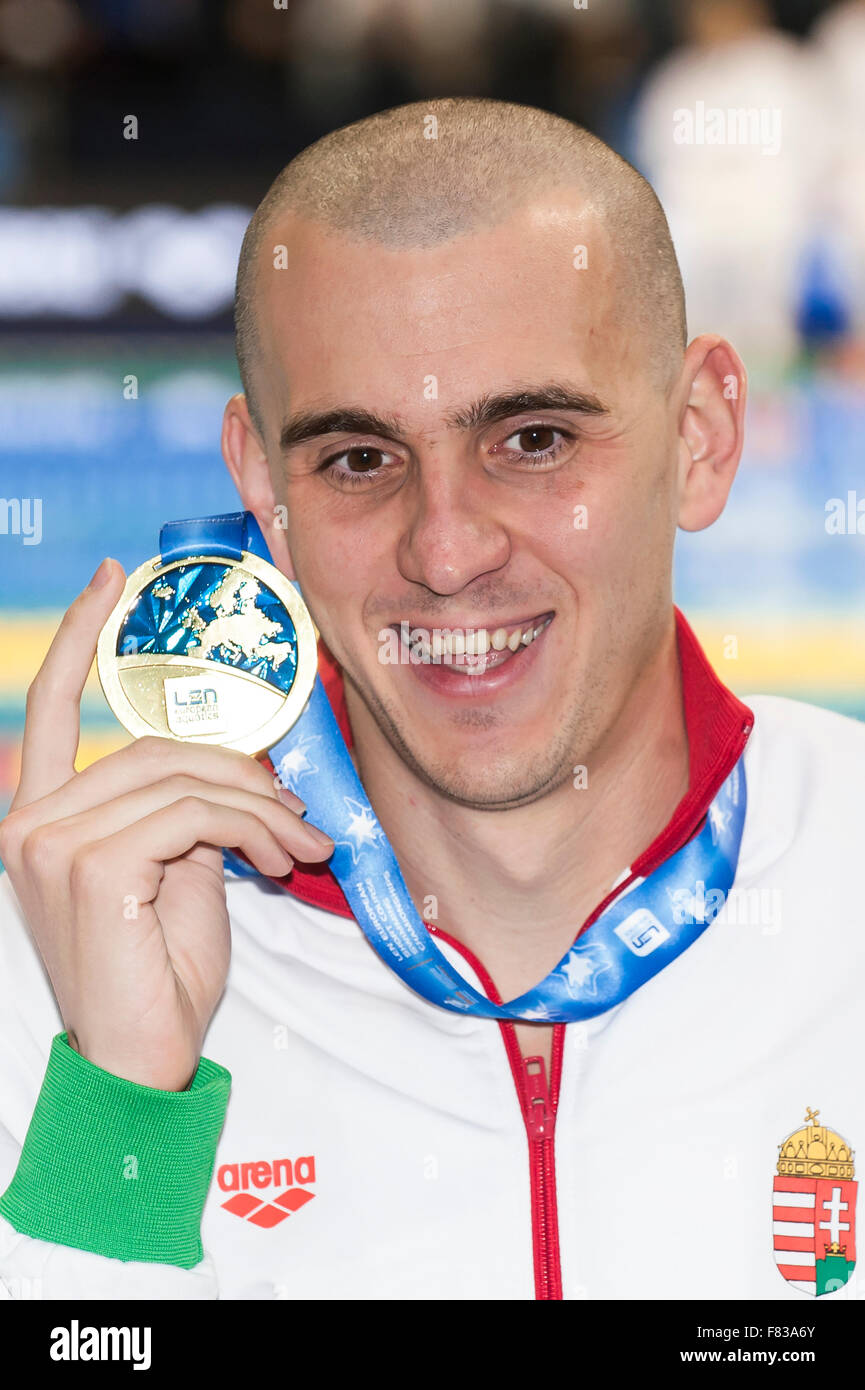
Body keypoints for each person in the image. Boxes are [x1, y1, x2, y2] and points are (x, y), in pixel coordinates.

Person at [0, 97, 862, 1302]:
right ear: (262, 492)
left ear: (703, 434)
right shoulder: (57, 965)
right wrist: (124, 1116)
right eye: (359, 460)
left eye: (534, 438)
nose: (446, 551)